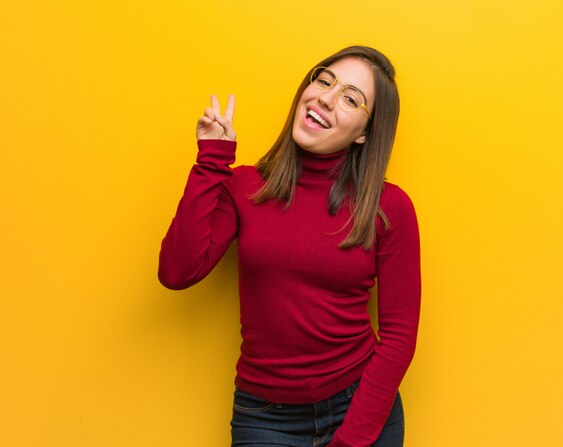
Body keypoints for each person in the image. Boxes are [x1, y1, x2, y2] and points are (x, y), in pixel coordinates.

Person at [159, 46, 421, 447]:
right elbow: (177, 272)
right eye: (324, 80)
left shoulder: (389, 207)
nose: (326, 98)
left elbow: (400, 335)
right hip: (264, 417)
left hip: (360, 409)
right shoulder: (246, 187)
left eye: (351, 98)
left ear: (366, 132)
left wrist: (350, 440)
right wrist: (212, 160)